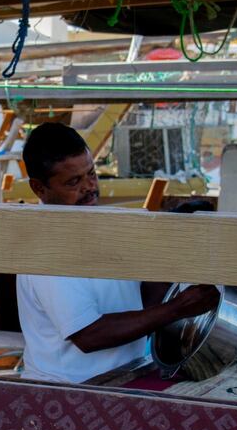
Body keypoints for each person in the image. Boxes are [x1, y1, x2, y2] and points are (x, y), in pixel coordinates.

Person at [17, 122, 219, 383]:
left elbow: (143, 302)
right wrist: (178, 308)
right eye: (74, 182)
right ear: (39, 188)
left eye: (91, 173)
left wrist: (169, 251)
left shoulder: (102, 222)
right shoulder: (45, 248)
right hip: (70, 391)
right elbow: (89, 336)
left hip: (126, 375)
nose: (89, 187)